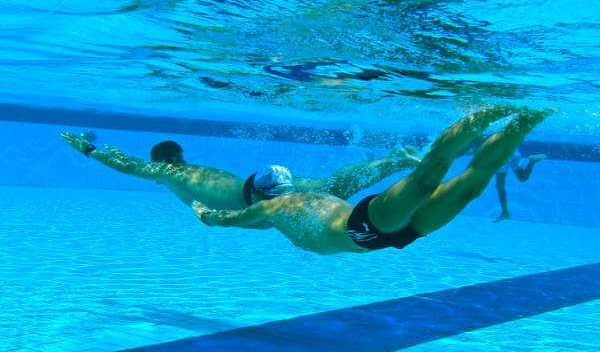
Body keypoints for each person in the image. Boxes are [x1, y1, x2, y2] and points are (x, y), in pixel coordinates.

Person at [192, 107, 554, 255]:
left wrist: (206, 214)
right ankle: (525, 120)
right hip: (382, 234)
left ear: (256, 191)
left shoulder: (269, 207)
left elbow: (231, 219)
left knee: (427, 179)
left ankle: (486, 113)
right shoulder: (299, 198)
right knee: (470, 188)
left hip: (363, 226)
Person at [60, 132, 420, 209]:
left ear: (163, 162)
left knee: (332, 193)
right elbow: (129, 161)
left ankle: (395, 165)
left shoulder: (172, 174)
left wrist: (89, 149)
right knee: (331, 184)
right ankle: (392, 161)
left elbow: (128, 166)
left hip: (255, 198)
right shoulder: (191, 170)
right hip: (258, 183)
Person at [493, 151, 547, 222]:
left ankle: (505, 212)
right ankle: (532, 161)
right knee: (522, 177)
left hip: (502, 155)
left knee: (500, 186)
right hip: (513, 152)